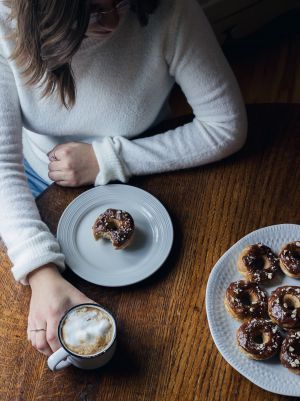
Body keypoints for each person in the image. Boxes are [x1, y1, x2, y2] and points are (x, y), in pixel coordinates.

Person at [0, 0, 247, 356]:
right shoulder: (6, 24)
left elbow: (226, 126)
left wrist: (106, 159)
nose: (116, 19)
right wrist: (39, 270)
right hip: (39, 179)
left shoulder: (168, 9)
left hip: (155, 160)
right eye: (95, 10)